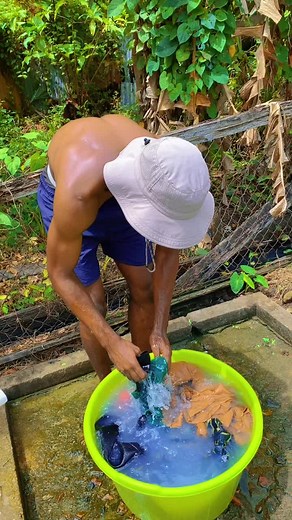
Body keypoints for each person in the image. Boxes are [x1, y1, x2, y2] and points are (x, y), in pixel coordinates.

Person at [37, 114, 214, 383]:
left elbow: (168, 250)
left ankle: (142, 378)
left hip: (124, 192)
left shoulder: (167, 170)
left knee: (144, 288)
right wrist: (112, 343)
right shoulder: (78, 193)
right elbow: (60, 273)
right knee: (93, 303)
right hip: (73, 196)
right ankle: (105, 381)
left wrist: (160, 329)